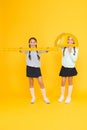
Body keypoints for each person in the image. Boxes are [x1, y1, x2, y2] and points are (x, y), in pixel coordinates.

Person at [20, 37, 50, 104]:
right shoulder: (27, 50)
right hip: (29, 67)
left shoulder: (38, 50)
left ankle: (45, 97)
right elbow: (21, 50)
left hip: (36, 68)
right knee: (31, 82)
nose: (32, 43)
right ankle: (33, 98)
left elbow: (46, 51)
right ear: (29, 43)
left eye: (34, 42)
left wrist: (47, 49)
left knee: (40, 82)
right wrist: (20, 49)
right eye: (31, 42)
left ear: (36, 43)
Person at [58, 36, 78, 103]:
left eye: (71, 40)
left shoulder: (76, 49)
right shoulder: (64, 47)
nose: (70, 41)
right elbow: (57, 45)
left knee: (70, 82)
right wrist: (59, 38)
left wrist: (70, 51)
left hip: (71, 67)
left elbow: (74, 59)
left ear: (73, 41)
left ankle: (69, 97)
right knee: (63, 81)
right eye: (68, 39)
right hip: (64, 67)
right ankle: (62, 95)